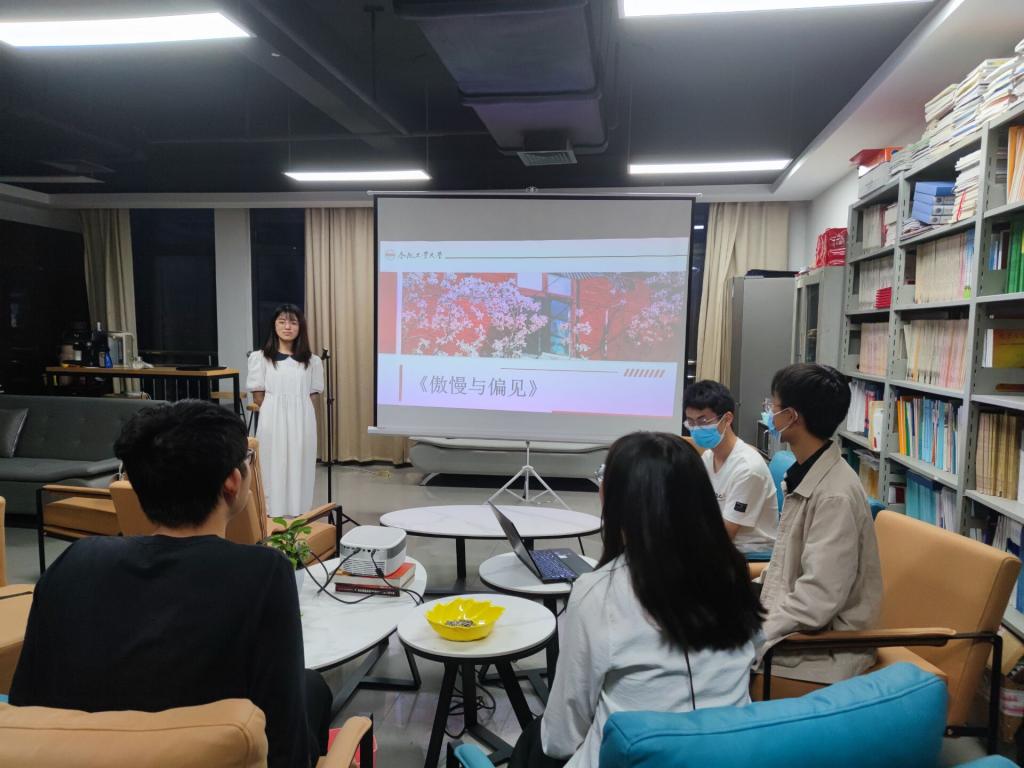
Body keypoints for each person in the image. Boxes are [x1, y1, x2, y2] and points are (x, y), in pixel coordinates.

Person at [10, 400, 331, 768]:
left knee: (310, 688)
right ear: (232, 481)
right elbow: (286, 748)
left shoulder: (75, 561)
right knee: (313, 690)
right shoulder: (264, 573)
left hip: (75, 756)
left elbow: (24, 709)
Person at [512, 432, 763, 768]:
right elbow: (751, 652)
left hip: (630, 758)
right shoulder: (732, 574)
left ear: (617, 500)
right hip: (729, 755)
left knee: (534, 740)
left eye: (604, 477)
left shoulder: (599, 592)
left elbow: (561, 737)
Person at [755, 363, 882, 695]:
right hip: (798, 628)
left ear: (792, 417)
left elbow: (817, 600)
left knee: (702, 661)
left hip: (824, 648)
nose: (769, 413)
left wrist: (751, 632)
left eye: (773, 405)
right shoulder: (808, 473)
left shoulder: (835, 496)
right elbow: (790, 568)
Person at [683, 380, 778, 553]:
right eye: (691, 422)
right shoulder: (709, 456)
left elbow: (725, 535)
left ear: (727, 419)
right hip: (722, 543)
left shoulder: (747, 468)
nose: (696, 429)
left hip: (748, 552)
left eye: (703, 421)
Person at [247, 304, 324, 519]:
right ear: (274, 325)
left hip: (302, 417)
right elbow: (258, 395)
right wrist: (276, 411)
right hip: (272, 417)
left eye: (293, 322)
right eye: (282, 322)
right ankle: (272, 511)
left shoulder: (313, 361)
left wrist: (295, 409)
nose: (287, 327)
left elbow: (312, 394)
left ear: (300, 327)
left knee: (301, 460)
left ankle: (299, 510)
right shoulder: (261, 358)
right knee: (273, 461)